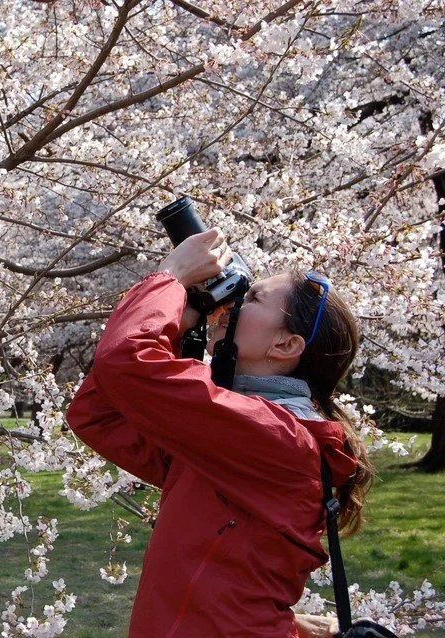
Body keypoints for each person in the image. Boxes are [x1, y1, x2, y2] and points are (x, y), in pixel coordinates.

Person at [66, 228, 372, 637]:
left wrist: (172, 277)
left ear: (285, 345)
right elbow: (98, 413)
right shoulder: (240, 438)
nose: (234, 304)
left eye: (254, 298)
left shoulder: (277, 438)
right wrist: (179, 324)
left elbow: (126, 361)